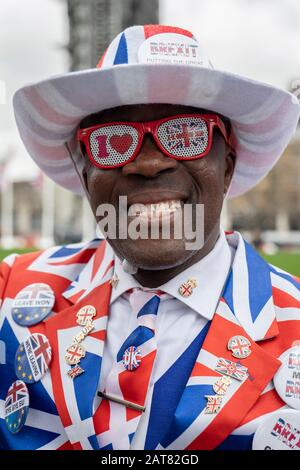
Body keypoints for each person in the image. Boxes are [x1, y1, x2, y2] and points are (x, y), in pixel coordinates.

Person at [0, 24, 300, 451]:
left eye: (185, 134)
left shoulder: (294, 324)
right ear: (85, 172)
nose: (150, 162)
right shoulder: (13, 295)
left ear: (227, 163)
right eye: (112, 141)